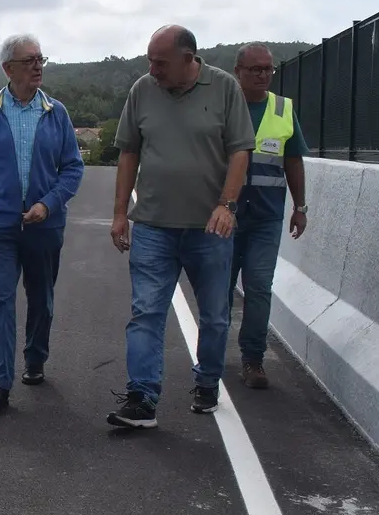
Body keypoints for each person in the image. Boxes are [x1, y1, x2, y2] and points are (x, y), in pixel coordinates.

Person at [107, 25, 257, 429]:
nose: (152, 69)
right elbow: (128, 153)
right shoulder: (143, 90)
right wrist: (120, 212)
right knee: (146, 313)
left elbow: (240, 151)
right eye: (150, 61)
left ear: (189, 59)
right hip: (154, 225)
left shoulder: (224, 89)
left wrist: (227, 205)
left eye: (160, 63)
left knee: (214, 316)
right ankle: (142, 397)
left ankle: (207, 381)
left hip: (209, 229)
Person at [0, 33, 85, 410]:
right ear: (9, 68)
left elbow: (73, 168)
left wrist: (49, 203)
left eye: (41, 59)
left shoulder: (55, 113)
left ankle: (36, 357)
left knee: (41, 298)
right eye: (30, 61)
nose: (38, 66)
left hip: (43, 226)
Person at [229, 43, 309, 389]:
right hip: (225, 216)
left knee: (259, 288)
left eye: (268, 69)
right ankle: (211, 355)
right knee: (217, 290)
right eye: (256, 69)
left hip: (265, 217)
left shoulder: (282, 109)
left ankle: (253, 360)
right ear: (238, 72)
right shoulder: (224, 106)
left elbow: (293, 160)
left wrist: (300, 207)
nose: (263, 75)